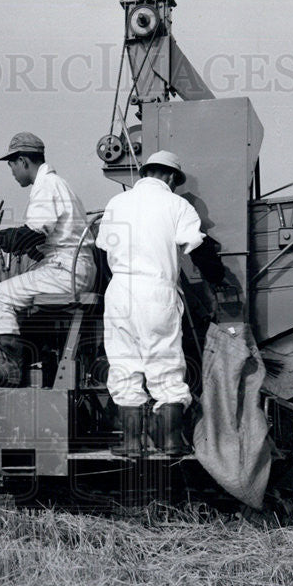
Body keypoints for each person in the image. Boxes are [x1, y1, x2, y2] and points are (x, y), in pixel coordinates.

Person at [96, 150, 206, 457]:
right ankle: (171, 442)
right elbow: (196, 245)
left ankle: (131, 444)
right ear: (171, 177)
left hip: (119, 291)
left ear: (146, 173)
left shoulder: (117, 203)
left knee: (123, 365)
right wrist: (220, 279)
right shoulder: (176, 204)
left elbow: (103, 248)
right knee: (166, 367)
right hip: (156, 290)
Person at [0, 132, 96, 387]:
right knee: (21, 310)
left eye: (11, 165)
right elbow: (47, 239)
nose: (12, 172)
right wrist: (18, 244)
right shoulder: (59, 184)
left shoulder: (46, 186)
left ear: (23, 161)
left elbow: (33, 232)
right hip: (73, 266)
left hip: (66, 271)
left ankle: (11, 369)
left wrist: (0, 238)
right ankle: (22, 366)